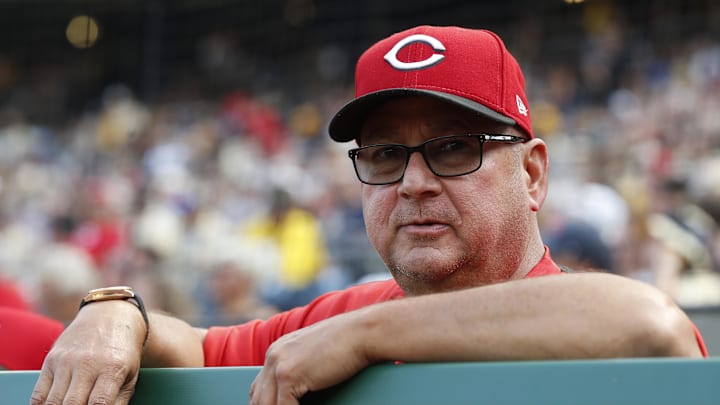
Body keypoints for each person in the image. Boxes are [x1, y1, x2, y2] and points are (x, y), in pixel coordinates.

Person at [31, 25, 706, 405]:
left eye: (451, 148)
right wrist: (116, 310)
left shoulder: (577, 319)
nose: (413, 182)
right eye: (385, 155)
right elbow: (200, 348)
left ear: (531, 173)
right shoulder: (341, 316)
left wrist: (367, 335)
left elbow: (652, 325)